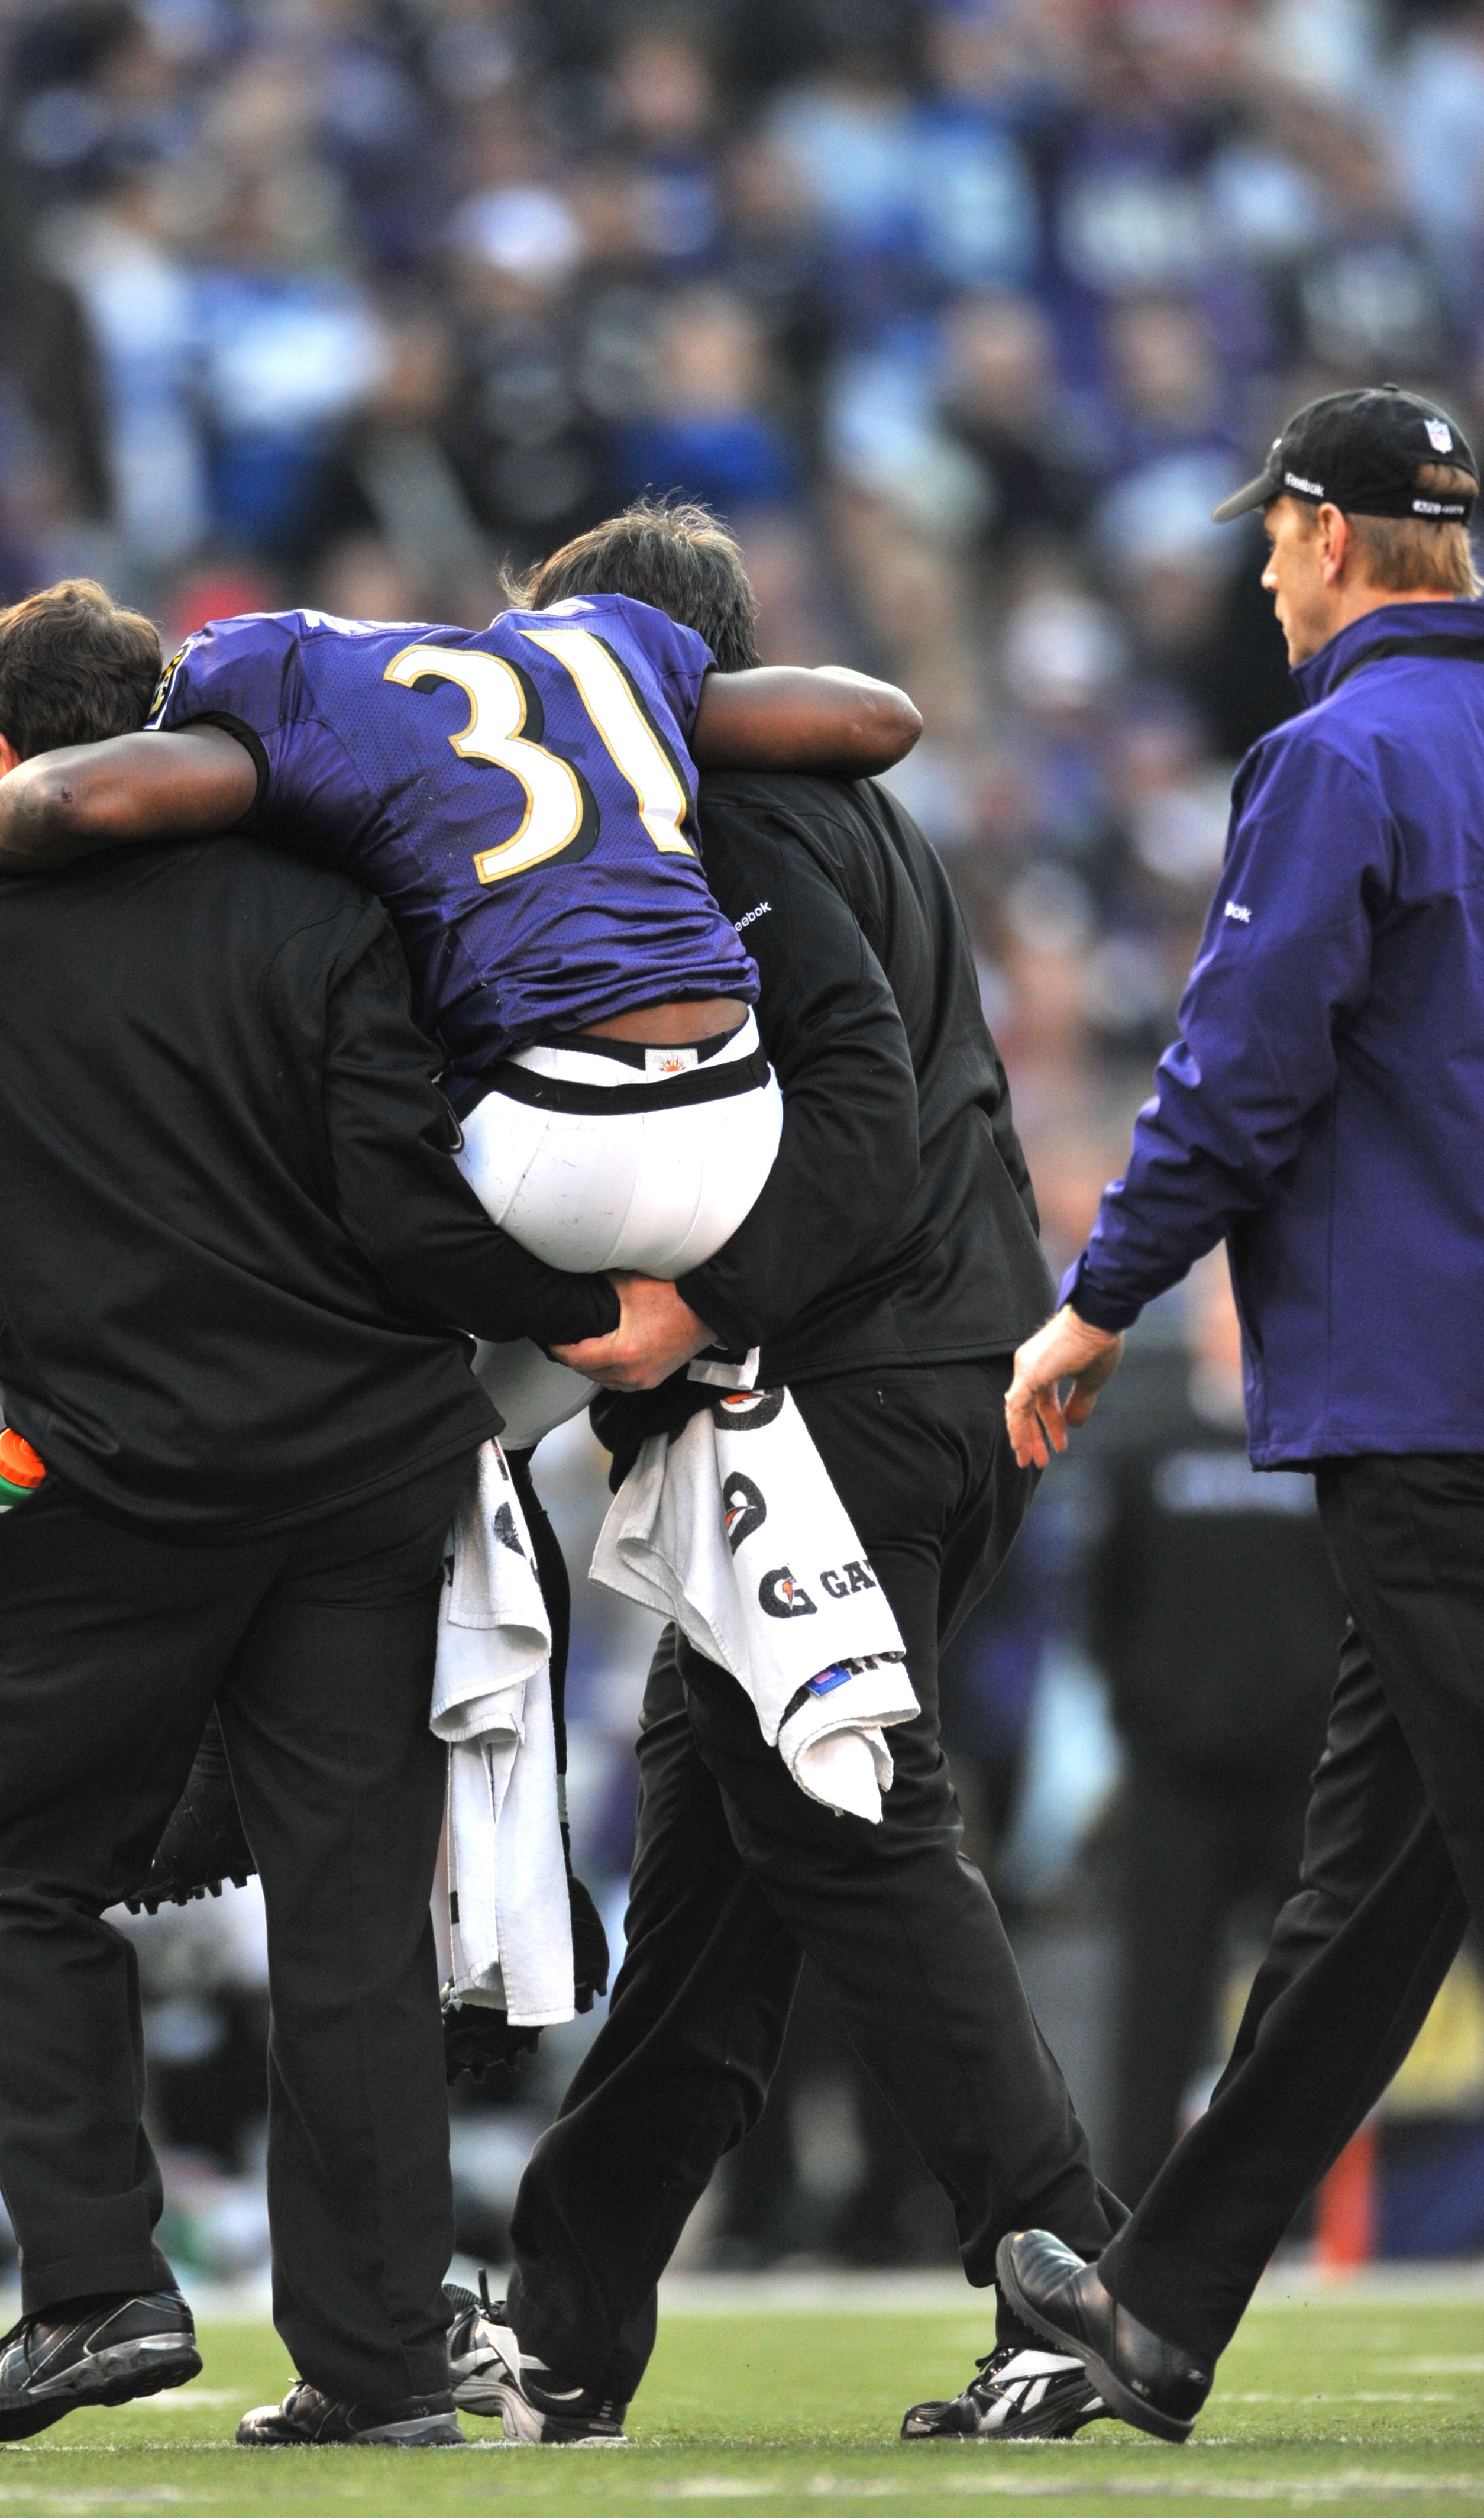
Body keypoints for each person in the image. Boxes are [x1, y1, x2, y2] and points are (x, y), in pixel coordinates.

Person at [0, 581, 654, 2449]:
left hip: (111, 1479)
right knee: (347, 1920)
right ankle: (384, 2361)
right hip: (356, 1476)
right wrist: (581, 1316)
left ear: (1, 757)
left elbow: (0, 1204)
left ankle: (98, 2294)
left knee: (19, 1865)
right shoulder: (328, 912)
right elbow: (404, 1212)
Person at [440, 515, 1126, 2448]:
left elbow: (846, 1114)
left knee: (846, 1825)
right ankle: (569, 2318)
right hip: (932, 1388)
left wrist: (689, 1314)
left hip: (834, 1400)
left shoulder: (717, 828)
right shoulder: (845, 809)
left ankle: (1067, 2257)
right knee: (716, 1884)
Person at [995, 385, 1484, 2441]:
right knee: (1376, 1886)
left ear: (1327, 529)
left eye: (1273, 536)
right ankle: (1159, 2299)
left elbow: (1242, 1062)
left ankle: (1152, 2294)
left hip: (1429, 1395)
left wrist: (1093, 1300)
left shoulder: (1340, 750)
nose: (1260, 571)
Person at [0, 513, 921, 1447]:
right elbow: (880, 716)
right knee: (510, 1417)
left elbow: (69, 792)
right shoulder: (596, 649)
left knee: (345, 1258)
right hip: (742, 1131)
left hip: (552, 1142)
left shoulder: (280, 681)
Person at [1082, 1251, 1337, 2205]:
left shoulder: (1324, 1447)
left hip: (1307, 1777)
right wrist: (1142, 1712)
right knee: (1158, 2007)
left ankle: (1293, 2207)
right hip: (1177, 1776)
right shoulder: (1147, 1451)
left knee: (1304, 2005)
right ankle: (1130, 2212)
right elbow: (1104, 1603)